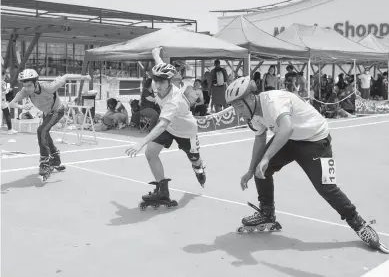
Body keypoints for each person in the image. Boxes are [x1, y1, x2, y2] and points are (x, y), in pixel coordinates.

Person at [224, 76, 387, 253]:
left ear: (250, 98)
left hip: (317, 141)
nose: (239, 112)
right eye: (235, 108)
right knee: (260, 170)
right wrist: (251, 169)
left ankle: (359, 224)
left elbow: (286, 128)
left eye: (239, 106)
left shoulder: (271, 102)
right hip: (289, 140)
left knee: (327, 186)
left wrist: (266, 158)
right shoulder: (252, 113)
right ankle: (266, 214)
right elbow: (260, 137)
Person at [125, 47, 206, 209]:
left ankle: (199, 168)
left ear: (170, 81)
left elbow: (162, 124)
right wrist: (155, 53)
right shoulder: (158, 84)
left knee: (195, 160)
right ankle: (162, 191)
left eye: (162, 81)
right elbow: (161, 65)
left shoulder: (174, 100)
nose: (157, 84)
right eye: (156, 80)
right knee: (151, 153)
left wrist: (141, 142)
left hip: (186, 131)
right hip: (170, 127)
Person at [8, 69, 91, 180]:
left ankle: (45, 162)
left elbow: (66, 76)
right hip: (47, 113)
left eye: (29, 85)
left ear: (35, 83)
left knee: (41, 131)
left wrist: (84, 77)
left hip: (58, 111)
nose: (27, 89)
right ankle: (55, 158)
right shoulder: (24, 91)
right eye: (25, 86)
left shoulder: (48, 87)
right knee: (45, 133)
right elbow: (11, 103)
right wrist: (21, 107)